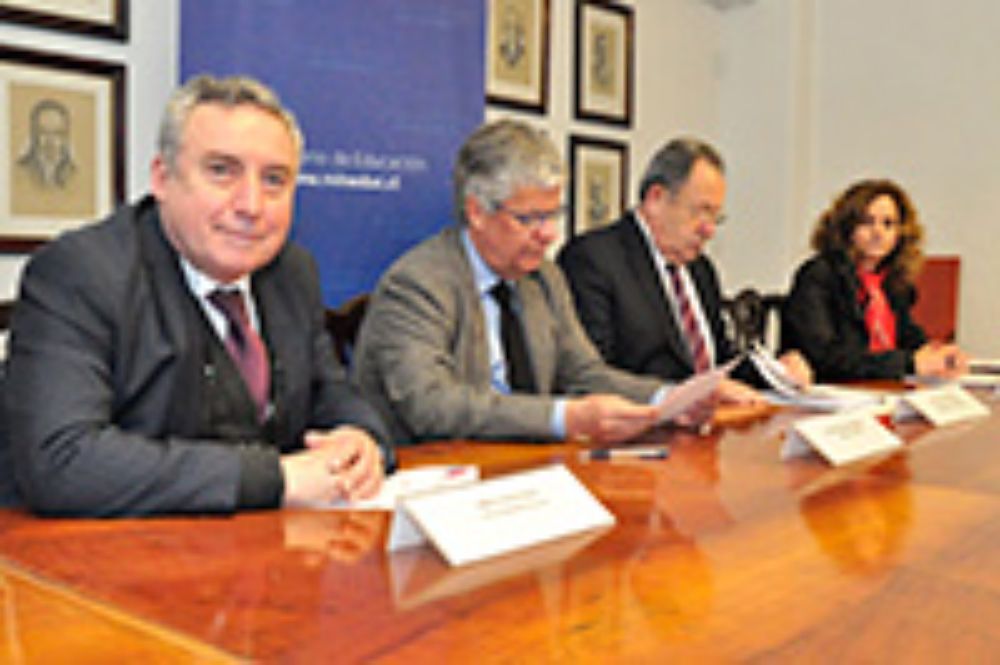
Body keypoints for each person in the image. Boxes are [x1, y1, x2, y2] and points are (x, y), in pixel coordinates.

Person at [3, 75, 394, 517]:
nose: (251, 205)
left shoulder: (291, 271)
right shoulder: (82, 273)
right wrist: (276, 479)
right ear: (162, 178)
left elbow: (331, 392)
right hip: (91, 560)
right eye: (221, 171)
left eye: (274, 180)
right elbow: (63, 462)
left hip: (251, 556)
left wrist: (361, 440)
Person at [352, 119, 706, 445]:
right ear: (477, 212)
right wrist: (563, 417)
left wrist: (671, 399)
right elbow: (433, 406)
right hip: (436, 474)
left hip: (525, 469)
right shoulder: (418, 284)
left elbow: (583, 373)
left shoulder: (544, 278)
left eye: (553, 215)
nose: (549, 235)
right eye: (530, 219)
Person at [558, 137, 812, 399]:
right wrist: (697, 393)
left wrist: (776, 371)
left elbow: (721, 364)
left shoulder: (701, 270)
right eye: (701, 212)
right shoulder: (594, 259)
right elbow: (595, 375)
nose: (709, 230)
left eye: (716, 217)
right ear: (656, 198)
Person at [781, 178, 967, 381]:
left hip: (882, 390)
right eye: (867, 222)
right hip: (831, 395)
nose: (878, 233)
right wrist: (910, 363)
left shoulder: (891, 282)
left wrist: (937, 355)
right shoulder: (818, 275)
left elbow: (907, 336)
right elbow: (825, 359)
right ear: (846, 228)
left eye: (888, 224)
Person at [17, 98, 77, 189]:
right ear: (34, 134)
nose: (50, 140)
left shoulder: (73, 173)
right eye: (43, 132)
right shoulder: (20, 171)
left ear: (66, 136)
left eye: (57, 133)